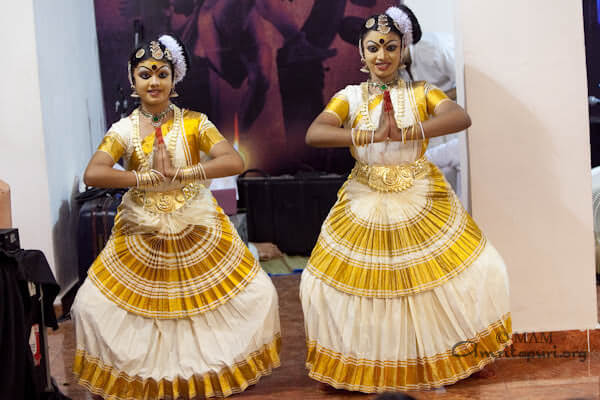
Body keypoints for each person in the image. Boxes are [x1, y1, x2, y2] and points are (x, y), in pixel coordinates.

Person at [300, 13, 512, 392]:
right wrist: (367, 134)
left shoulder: (422, 92)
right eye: (373, 47)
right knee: (331, 285)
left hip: (419, 192)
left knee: (474, 272)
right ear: (361, 54)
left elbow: (458, 116)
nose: (382, 54)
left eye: (391, 46)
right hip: (365, 196)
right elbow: (316, 133)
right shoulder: (348, 96)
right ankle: (364, 362)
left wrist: (409, 130)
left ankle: (454, 353)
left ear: (403, 51)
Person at [71, 34, 281, 399]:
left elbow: (234, 160)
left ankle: (203, 370)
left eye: (162, 73)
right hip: (142, 228)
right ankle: (148, 374)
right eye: (145, 73)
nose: (154, 81)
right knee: (91, 305)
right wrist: (140, 177)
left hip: (195, 222)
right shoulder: (123, 129)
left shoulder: (195, 123)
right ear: (132, 80)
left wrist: (186, 174)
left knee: (258, 294)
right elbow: (94, 173)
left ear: (174, 79)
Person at [387, 4, 457, 100]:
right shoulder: (393, 69)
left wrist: (434, 101)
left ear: (404, 43)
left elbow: (466, 85)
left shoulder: (438, 49)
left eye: (390, 48)